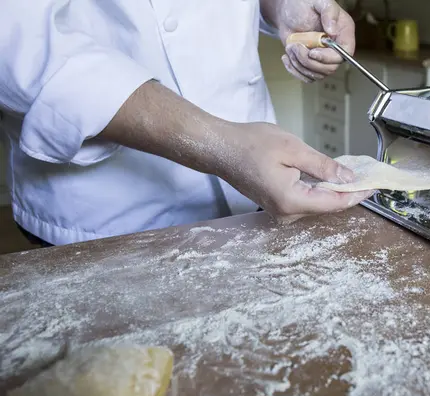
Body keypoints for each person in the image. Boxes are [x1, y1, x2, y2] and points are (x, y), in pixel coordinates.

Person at [0, 0, 373, 247]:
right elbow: (20, 47)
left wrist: (282, 6)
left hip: (252, 198)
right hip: (105, 214)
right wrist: (221, 145)